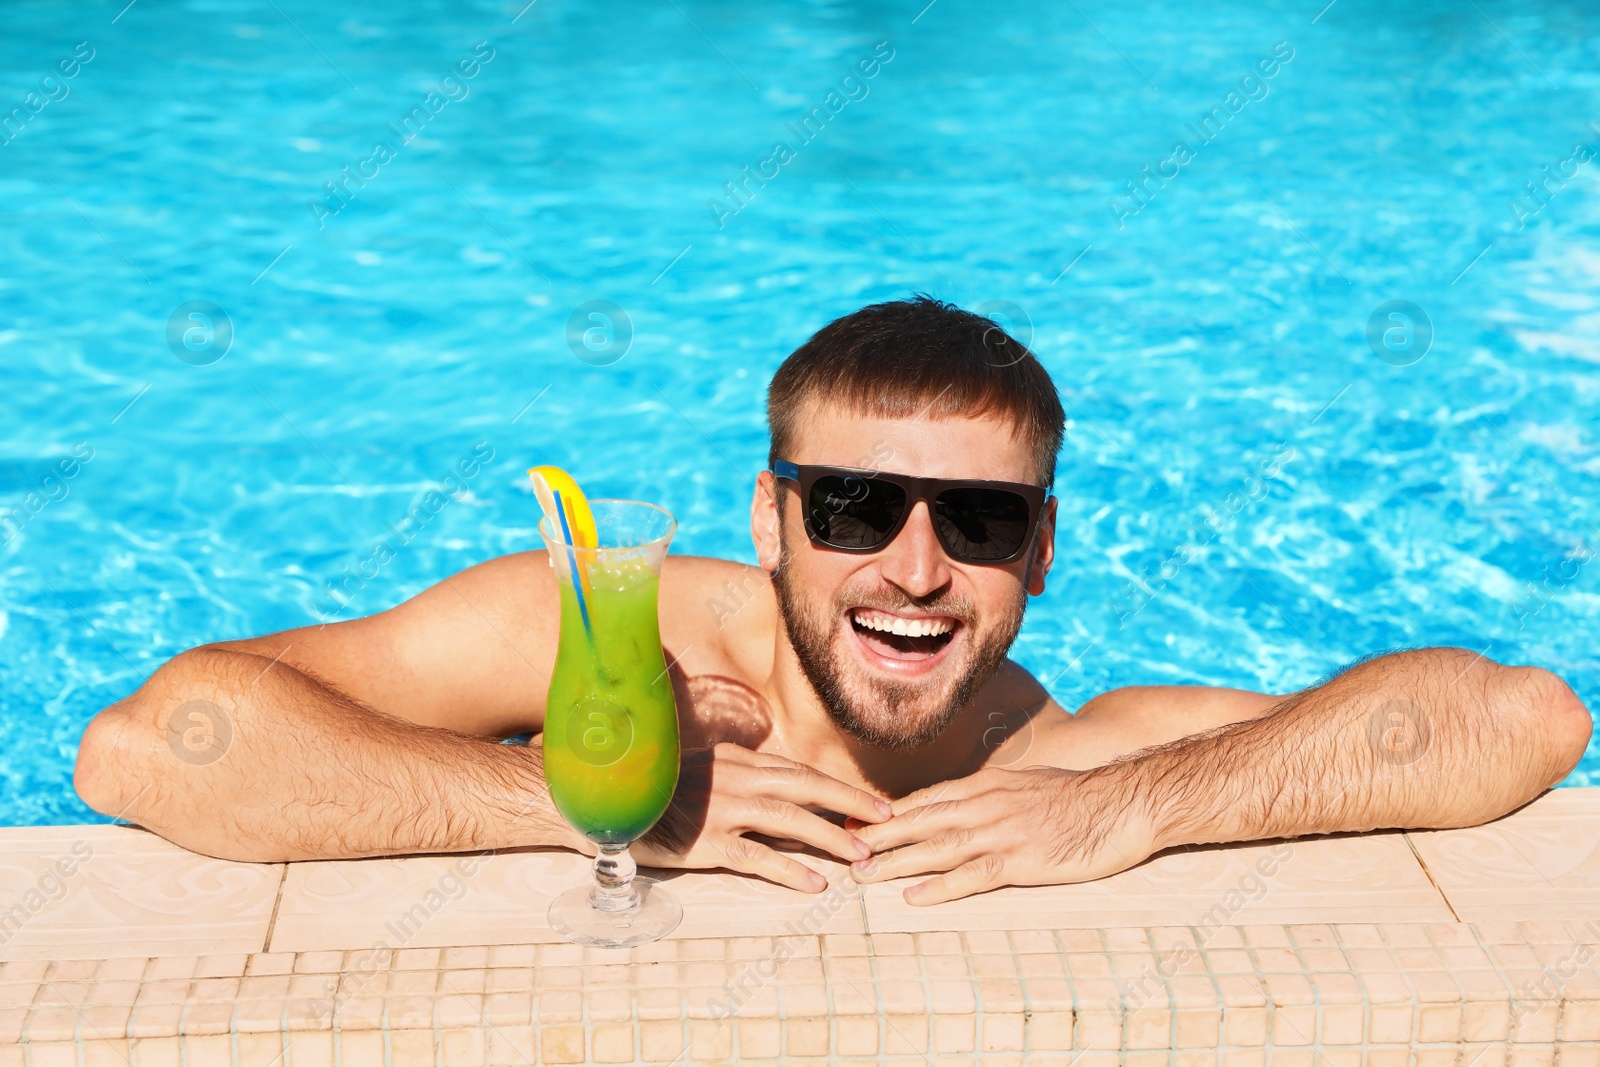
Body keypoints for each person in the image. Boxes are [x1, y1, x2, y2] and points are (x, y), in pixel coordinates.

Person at [73, 296, 1591, 905]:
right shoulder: (619, 637)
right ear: (772, 520)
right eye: (856, 508)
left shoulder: (1056, 766)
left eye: (981, 521)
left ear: (1045, 551)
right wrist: (575, 799)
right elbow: (147, 743)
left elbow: (1523, 717)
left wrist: (1145, 807)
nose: (916, 571)